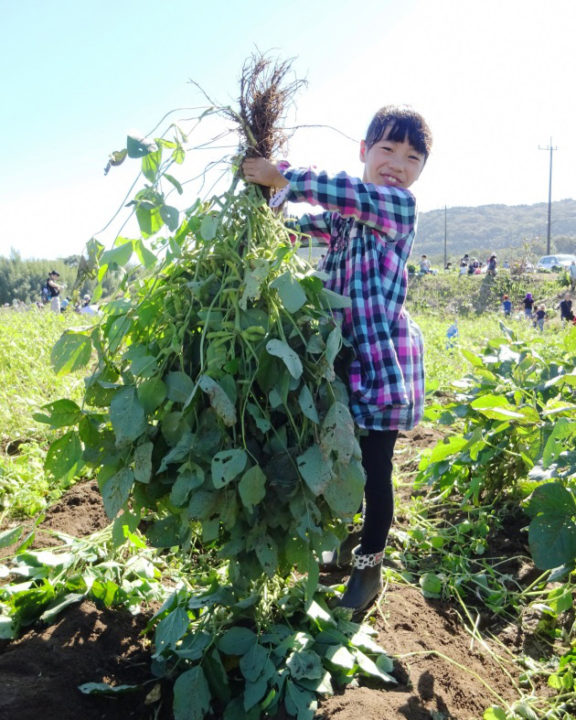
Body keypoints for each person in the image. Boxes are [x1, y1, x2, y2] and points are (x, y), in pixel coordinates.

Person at [243, 105, 432, 613]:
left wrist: (285, 175)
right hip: (341, 362)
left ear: (419, 172)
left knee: (376, 470)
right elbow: (304, 228)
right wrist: (265, 209)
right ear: (364, 151)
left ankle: (370, 571)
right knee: (344, 457)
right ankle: (353, 542)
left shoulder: (396, 206)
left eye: (412, 157)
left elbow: (348, 194)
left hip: (381, 364)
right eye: (387, 149)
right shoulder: (348, 218)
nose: (397, 162)